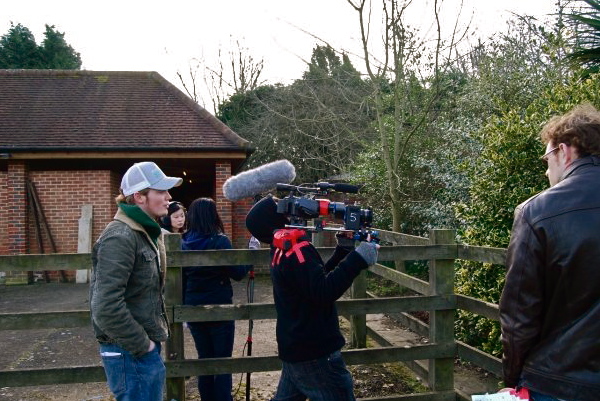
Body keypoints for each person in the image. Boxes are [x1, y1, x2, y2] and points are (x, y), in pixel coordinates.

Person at [499, 103, 600, 401]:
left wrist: (514, 381)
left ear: (565, 152)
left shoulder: (538, 211)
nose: (546, 170)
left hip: (557, 384)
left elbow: (519, 317)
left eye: (547, 157)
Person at [245, 195, 379, 401]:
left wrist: (342, 251)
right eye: (283, 206)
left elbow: (311, 283)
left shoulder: (283, 248)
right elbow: (323, 292)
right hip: (315, 352)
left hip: (297, 346)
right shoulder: (297, 250)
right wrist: (358, 258)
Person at [89, 161, 182, 401]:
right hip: (130, 352)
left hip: (139, 349)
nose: (168, 197)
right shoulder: (120, 236)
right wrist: (144, 346)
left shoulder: (144, 232)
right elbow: (105, 307)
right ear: (139, 196)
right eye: (160, 191)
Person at [181, 197, 251, 401]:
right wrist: (250, 257)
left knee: (204, 360)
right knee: (222, 361)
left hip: (194, 307)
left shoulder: (184, 242)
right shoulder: (220, 240)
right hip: (219, 307)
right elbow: (237, 273)